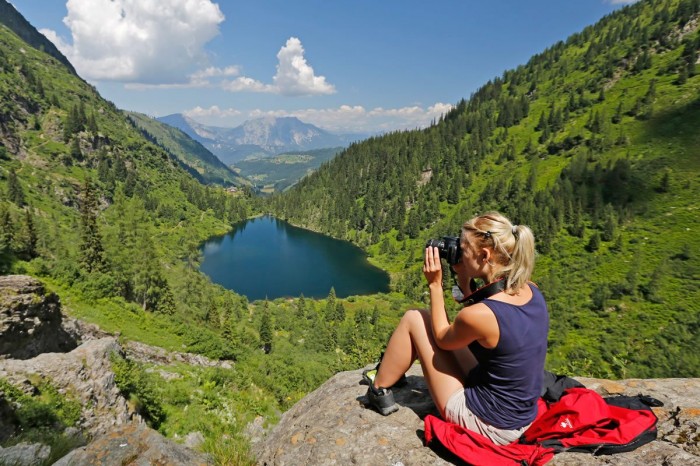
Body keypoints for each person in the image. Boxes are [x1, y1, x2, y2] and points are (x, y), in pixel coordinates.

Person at [365, 211, 549, 446]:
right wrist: (464, 281)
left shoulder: (480, 315)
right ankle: (389, 375)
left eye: (464, 249)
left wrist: (434, 284)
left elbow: (443, 338)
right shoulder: (531, 289)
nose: (459, 254)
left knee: (415, 318)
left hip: (490, 424)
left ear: (484, 254)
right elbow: (485, 322)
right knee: (435, 327)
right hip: (522, 415)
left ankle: (378, 388)